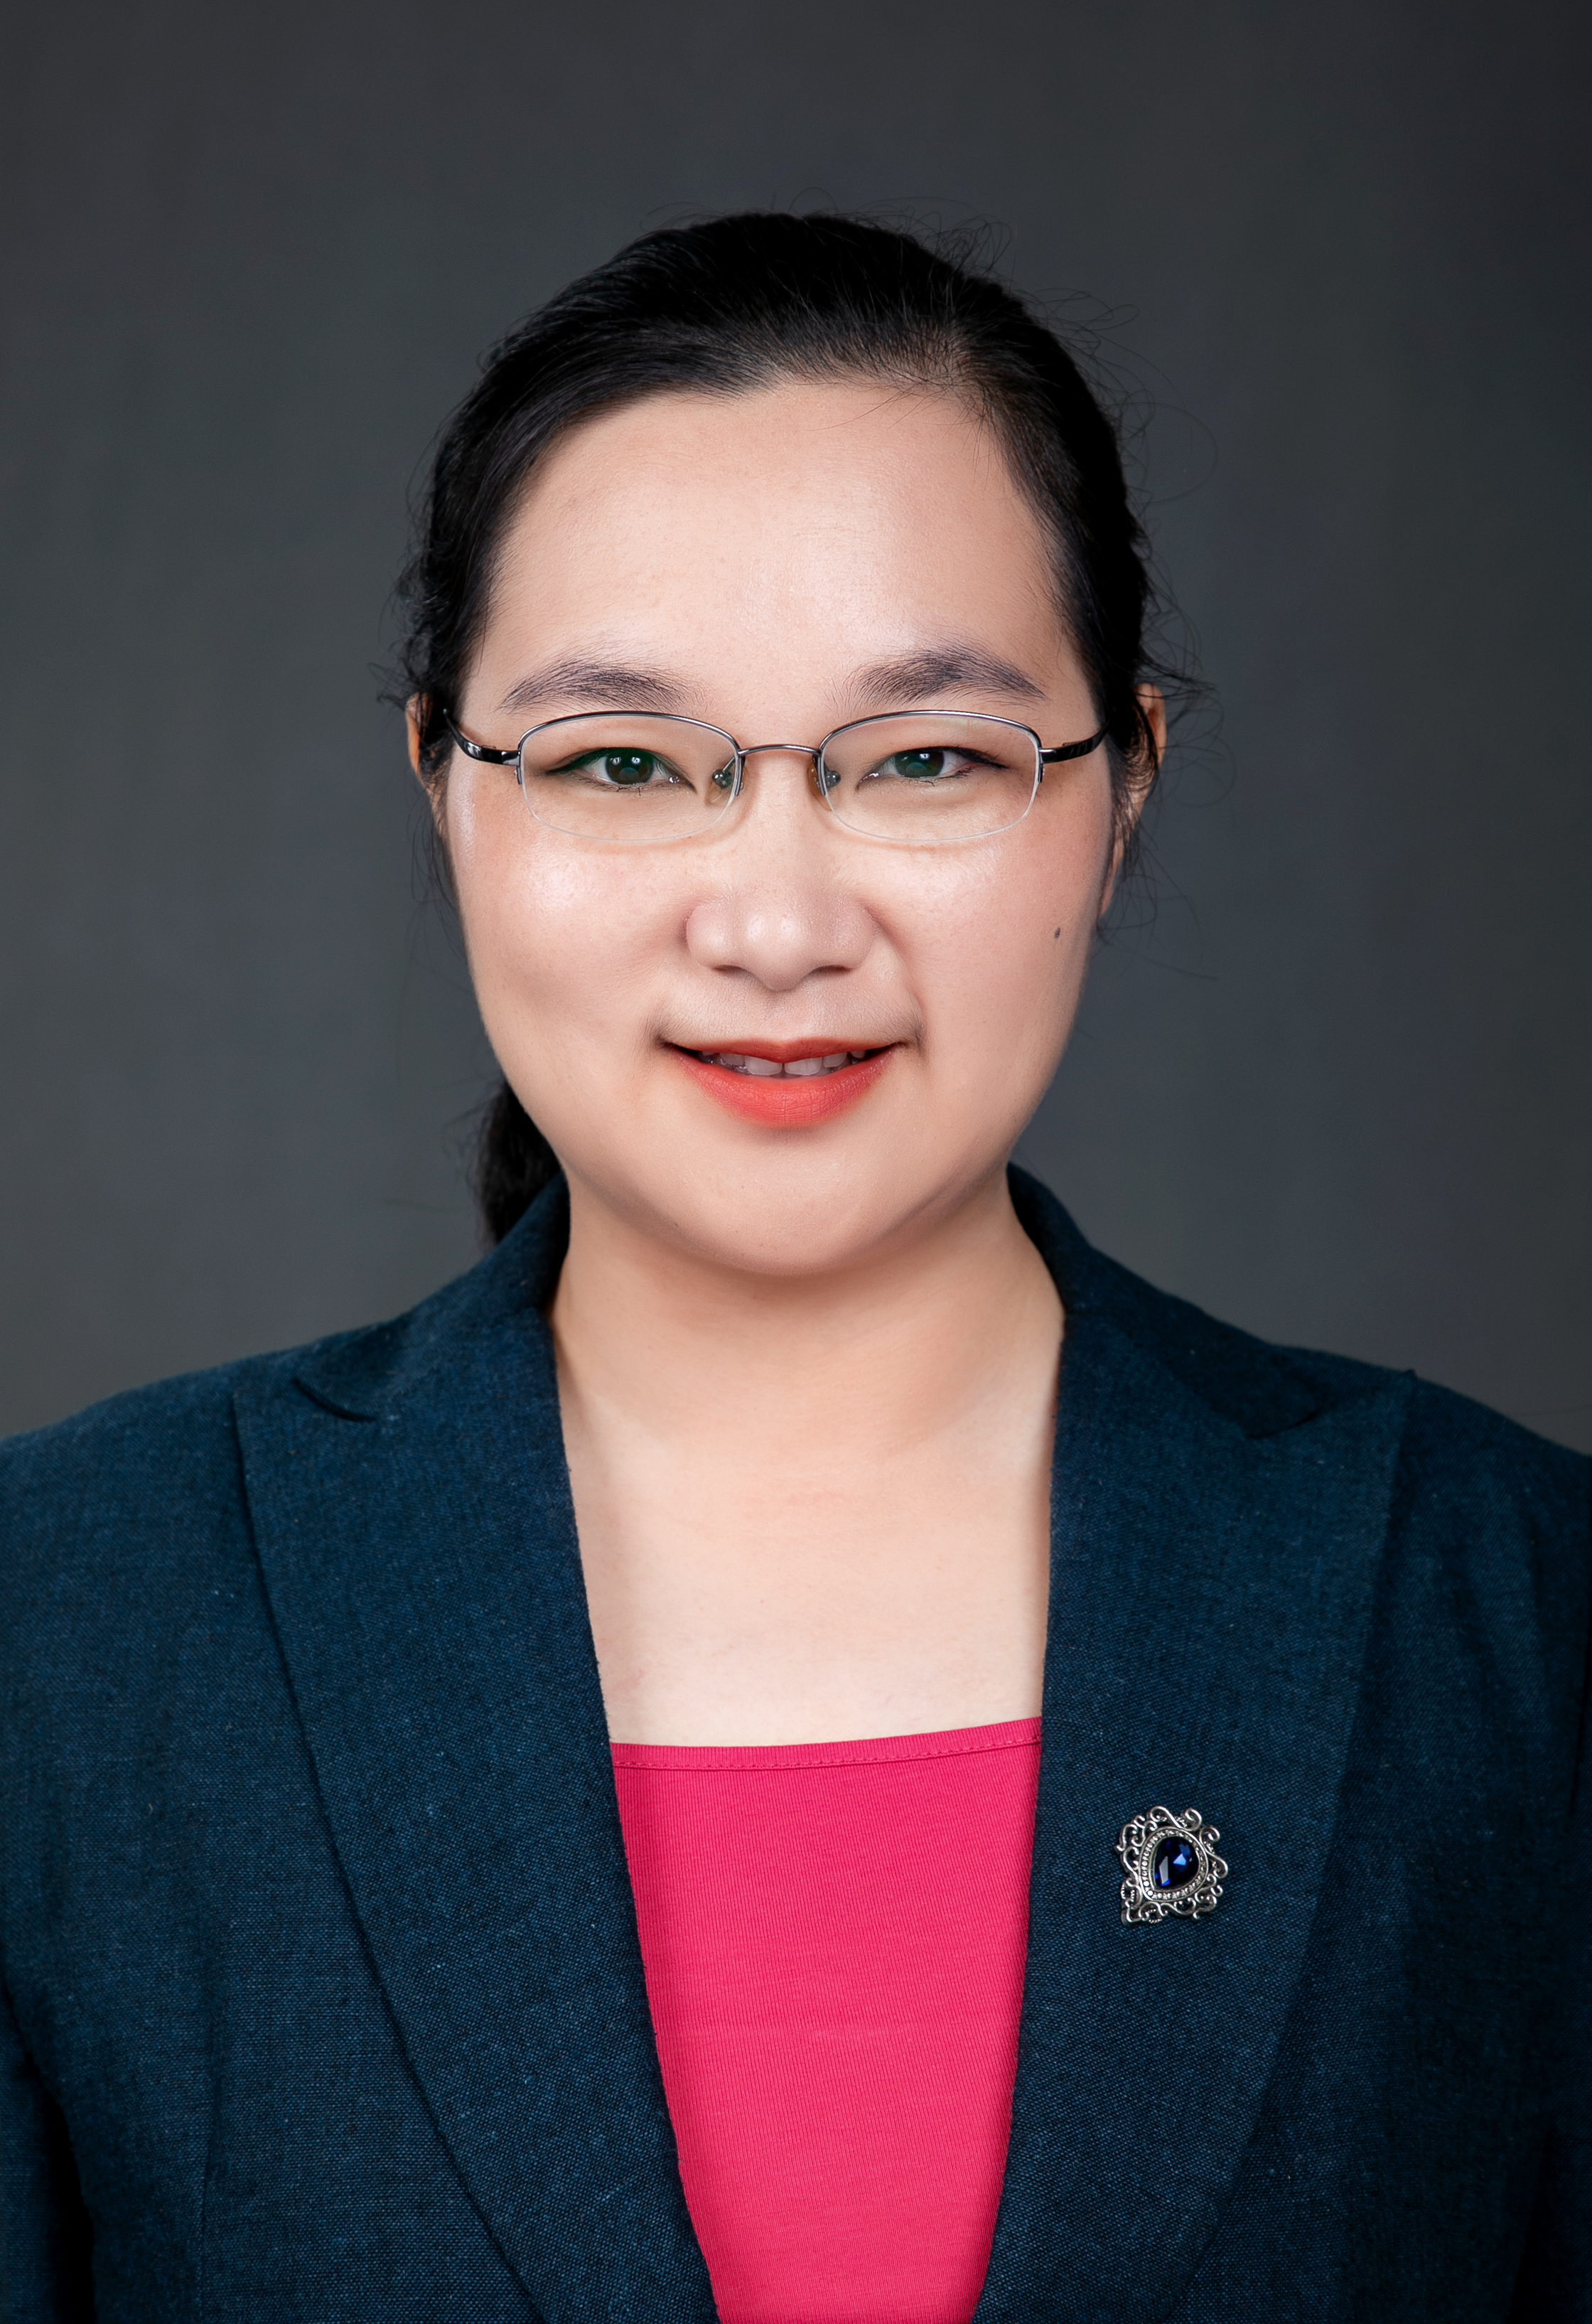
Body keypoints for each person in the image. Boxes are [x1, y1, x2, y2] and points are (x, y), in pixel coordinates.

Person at [1, 213, 1586, 2324]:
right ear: (445, 793)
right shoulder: (68, 1624)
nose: (773, 925)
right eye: (620, 763)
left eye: (926, 758)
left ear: (1121, 794)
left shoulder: (1508, 1610)